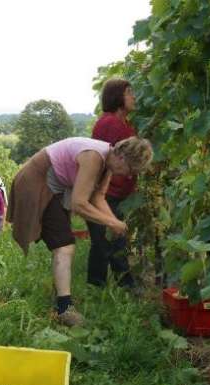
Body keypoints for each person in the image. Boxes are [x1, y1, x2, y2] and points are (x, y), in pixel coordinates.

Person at [6, 136, 153, 327]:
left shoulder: (107, 161)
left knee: (63, 243)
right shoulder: (94, 157)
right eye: (131, 170)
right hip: (37, 181)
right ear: (123, 158)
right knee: (64, 245)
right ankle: (64, 309)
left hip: (53, 186)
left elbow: (98, 197)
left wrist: (114, 223)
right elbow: (79, 204)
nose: (129, 176)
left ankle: (59, 296)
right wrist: (112, 222)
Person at [88, 78, 138, 289]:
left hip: (117, 194)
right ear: (118, 97)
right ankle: (126, 288)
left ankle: (96, 287)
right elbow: (104, 161)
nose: (133, 97)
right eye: (129, 93)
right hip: (106, 194)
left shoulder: (125, 124)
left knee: (104, 243)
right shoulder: (110, 123)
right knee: (111, 243)